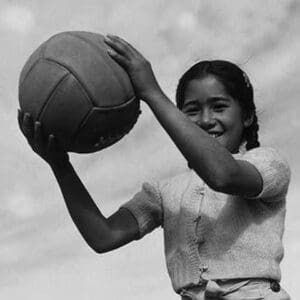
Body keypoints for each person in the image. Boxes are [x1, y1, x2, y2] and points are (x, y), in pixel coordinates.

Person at [18, 34, 291, 299]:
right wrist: (60, 165)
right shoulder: (165, 193)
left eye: (219, 107)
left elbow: (223, 175)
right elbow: (104, 236)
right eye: (192, 110)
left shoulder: (268, 164)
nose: (206, 119)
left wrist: (151, 92)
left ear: (247, 117)